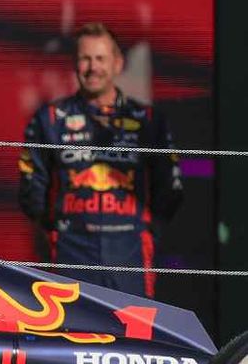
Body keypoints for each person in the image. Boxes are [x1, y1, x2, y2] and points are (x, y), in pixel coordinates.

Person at [18, 22, 183, 298]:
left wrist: (145, 229)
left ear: (117, 64)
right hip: (71, 247)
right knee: (71, 323)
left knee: (134, 325)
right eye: (85, 58)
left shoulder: (149, 120)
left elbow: (171, 187)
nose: (92, 67)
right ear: (75, 64)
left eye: (100, 59)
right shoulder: (50, 118)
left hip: (130, 248)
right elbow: (31, 188)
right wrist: (57, 229)